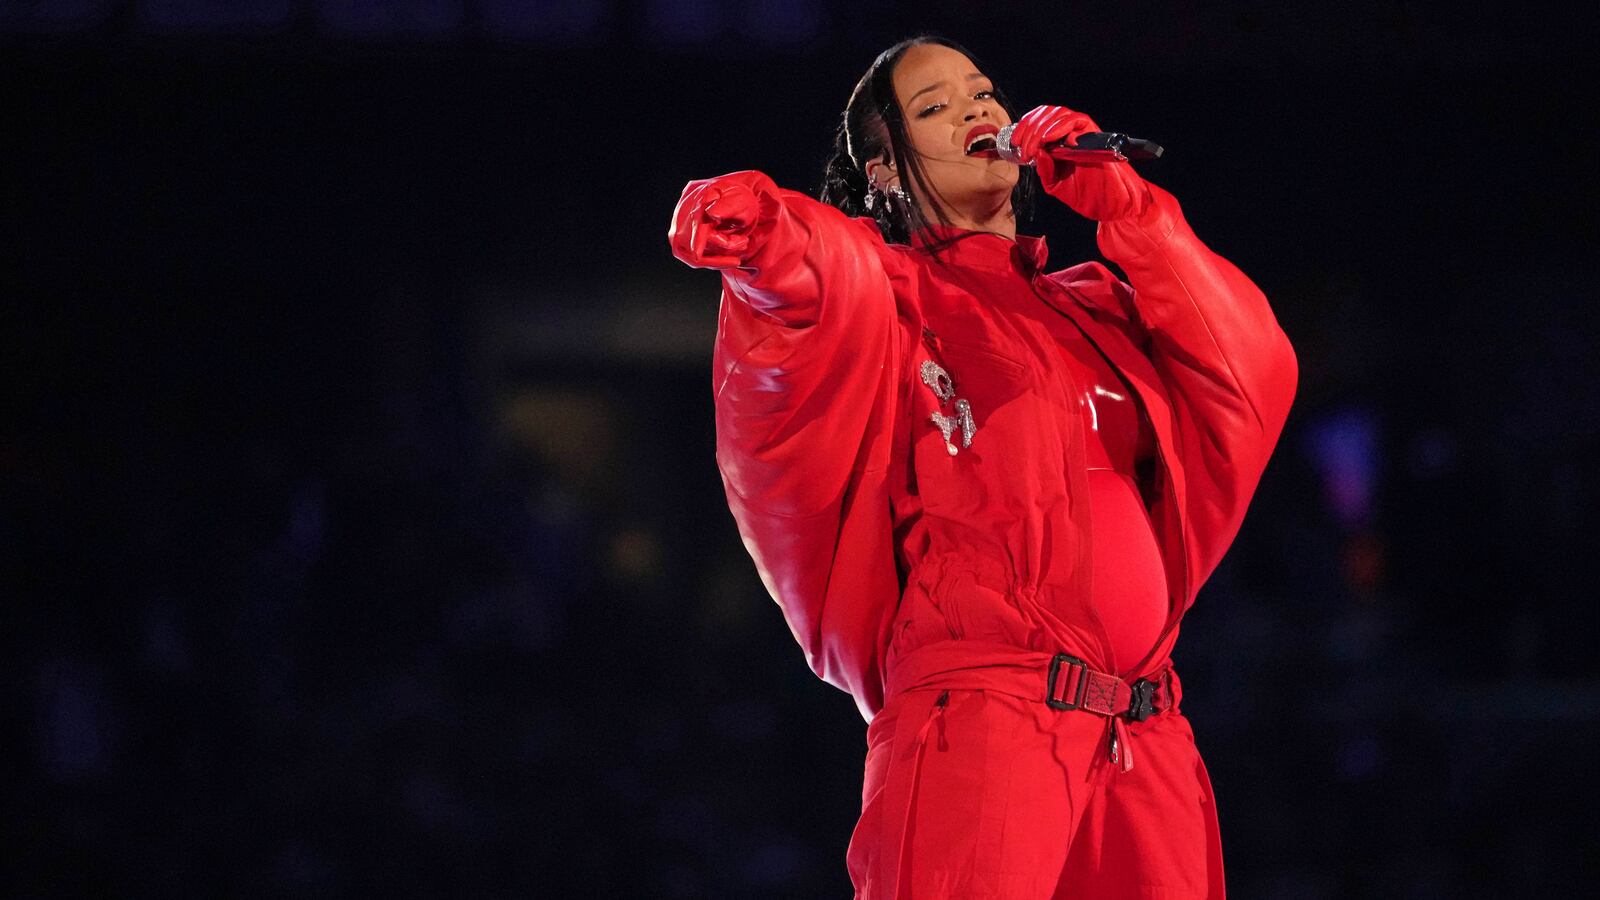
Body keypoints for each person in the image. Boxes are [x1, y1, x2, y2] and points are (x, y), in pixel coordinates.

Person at [667, 34, 1297, 900]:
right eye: (935, 107)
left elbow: (1250, 367)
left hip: (1144, 734)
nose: (977, 111)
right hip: (984, 726)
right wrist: (768, 233)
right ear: (884, 171)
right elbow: (819, 283)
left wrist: (1132, 213)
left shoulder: (1100, 306)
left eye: (984, 92)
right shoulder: (895, 299)